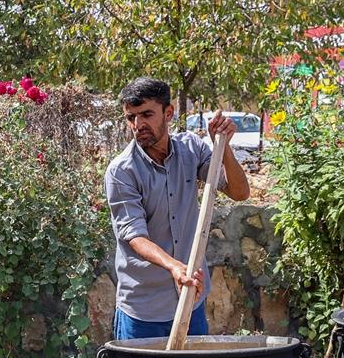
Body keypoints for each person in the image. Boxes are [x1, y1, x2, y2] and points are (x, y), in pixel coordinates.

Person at [106, 77, 250, 340]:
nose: (138, 125)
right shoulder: (121, 171)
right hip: (143, 310)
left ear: (168, 112)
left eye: (147, 114)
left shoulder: (191, 150)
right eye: (131, 117)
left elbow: (239, 192)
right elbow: (134, 236)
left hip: (190, 301)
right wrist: (174, 267)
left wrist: (223, 146)